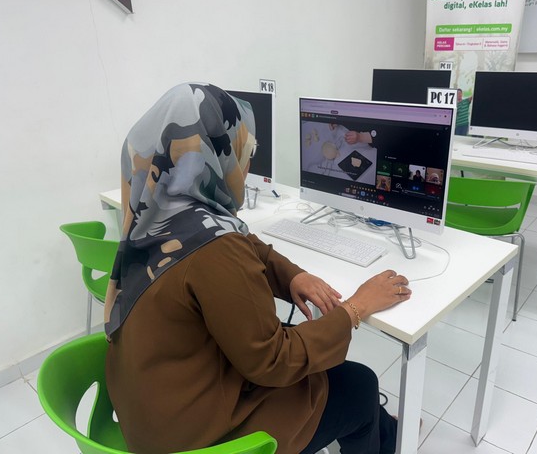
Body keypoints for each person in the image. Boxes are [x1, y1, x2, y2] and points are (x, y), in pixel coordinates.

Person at [104, 82, 412, 454]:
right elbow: (274, 361)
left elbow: (246, 243)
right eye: (245, 151)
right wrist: (355, 308)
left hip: (152, 407)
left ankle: (387, 432)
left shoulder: (152, 214)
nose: (247, 165)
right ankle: (386, 432)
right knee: (360, 386)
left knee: (336, 376)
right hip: (194, 438)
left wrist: (294, 276)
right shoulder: (215, 247)